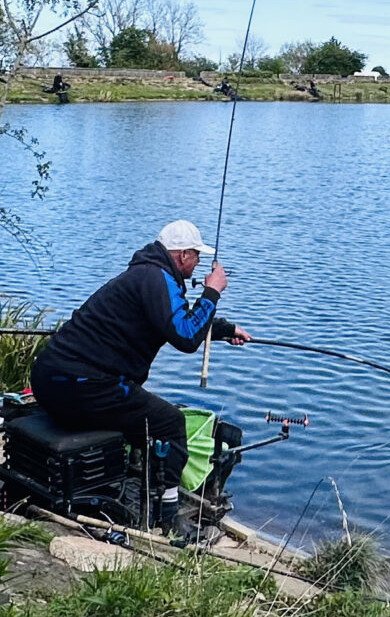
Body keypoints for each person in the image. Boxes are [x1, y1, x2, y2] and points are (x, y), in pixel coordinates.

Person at [29, 218, 250, 536]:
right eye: (196, 256)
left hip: (53, 381)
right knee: (170, 423)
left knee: (142, 416)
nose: (198, 263)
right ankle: (170, 520)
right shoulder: (156, 278)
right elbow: (186, 336)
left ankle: (130, 490)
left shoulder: (148, 275)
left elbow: (177, 322)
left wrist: (226, 331)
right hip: (82, 384)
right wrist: (213, 292)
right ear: (182, 255)